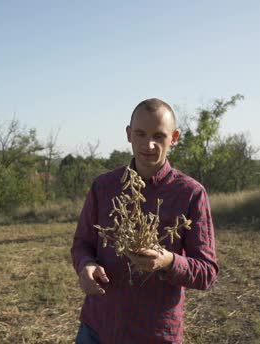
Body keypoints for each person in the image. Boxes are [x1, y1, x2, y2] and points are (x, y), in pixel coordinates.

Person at [71, 98, 219, 344]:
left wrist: (168, 261)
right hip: (98, 327)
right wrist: (85, 265)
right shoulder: (104, 186)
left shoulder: (191, 193)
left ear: (174, 137)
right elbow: (82, 243)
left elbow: (207, 272)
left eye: (159, 136)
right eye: (140, 134)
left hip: (155, 334)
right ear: (129, 134)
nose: (148, 144)